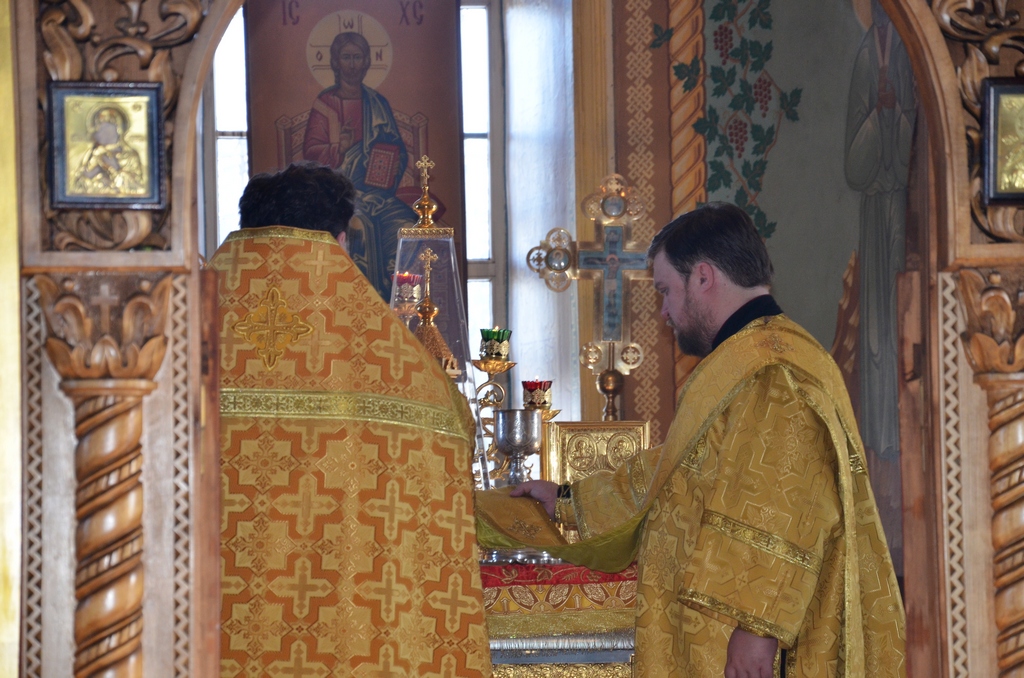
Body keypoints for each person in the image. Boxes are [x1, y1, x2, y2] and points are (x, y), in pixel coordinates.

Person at [480, 202, 906, 676]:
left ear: (703, 277)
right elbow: (678, 474)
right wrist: (567, 498)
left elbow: (783, 501)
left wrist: (756, 629)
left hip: (749, 635)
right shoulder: (750, 358)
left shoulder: (773, 369)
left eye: (666, 290)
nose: (663, 310)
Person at [208, 162, 491, 675]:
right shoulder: (397, 367)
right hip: (348, 629)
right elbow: (457, 438)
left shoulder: (180, 325)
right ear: (340, 241)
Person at [302, 31, 418, 300]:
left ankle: (399, 306)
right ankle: (362, 302)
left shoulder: (377, 103)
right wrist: (339, 149)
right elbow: (310, 157)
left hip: (378, 194)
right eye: (346, 57)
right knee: (359, 226)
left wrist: (388, 169)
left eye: (358, 57)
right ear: (335, 62)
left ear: (366, 62)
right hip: (339, 197)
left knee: (408, 223)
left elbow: (397, 151)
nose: (352, 64)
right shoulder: (325, 105)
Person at [73, 105, 145, 196]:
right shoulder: (91, 154)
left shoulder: (129, 156)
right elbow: (78, 186)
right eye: (98, 125)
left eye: (106, 125)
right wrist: (93, 168)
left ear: (118, 129)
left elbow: (138, 187)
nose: (98, 131)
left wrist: (111, 168)